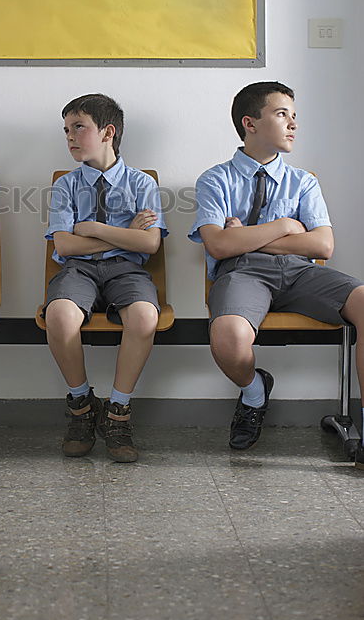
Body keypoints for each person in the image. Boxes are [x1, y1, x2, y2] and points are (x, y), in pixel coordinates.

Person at [189, 81, 364, 465]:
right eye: (282, 114)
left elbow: (322, 247)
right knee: (228, 336)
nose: (293, 124)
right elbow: (218, 247)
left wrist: (247, 236)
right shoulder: (214, 179)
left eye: (294, 116)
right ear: (250, 123)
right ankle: (254, 393)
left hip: (300, 273)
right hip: (242, 274)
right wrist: (287, 226)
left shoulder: (304, 181)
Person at [42, 93, 167, 463]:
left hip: (127, 270)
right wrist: (123, 231)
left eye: (79, 127)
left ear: (108, 132)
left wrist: (95, 228)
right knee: (60, 315)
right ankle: (81, 405)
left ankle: (118, 412)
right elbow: (65, 245)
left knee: (144, 316)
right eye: (66, 129)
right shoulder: (66, 185)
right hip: (78, 271)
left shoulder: (142, 184)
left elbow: (150, 242)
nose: (70, 136)